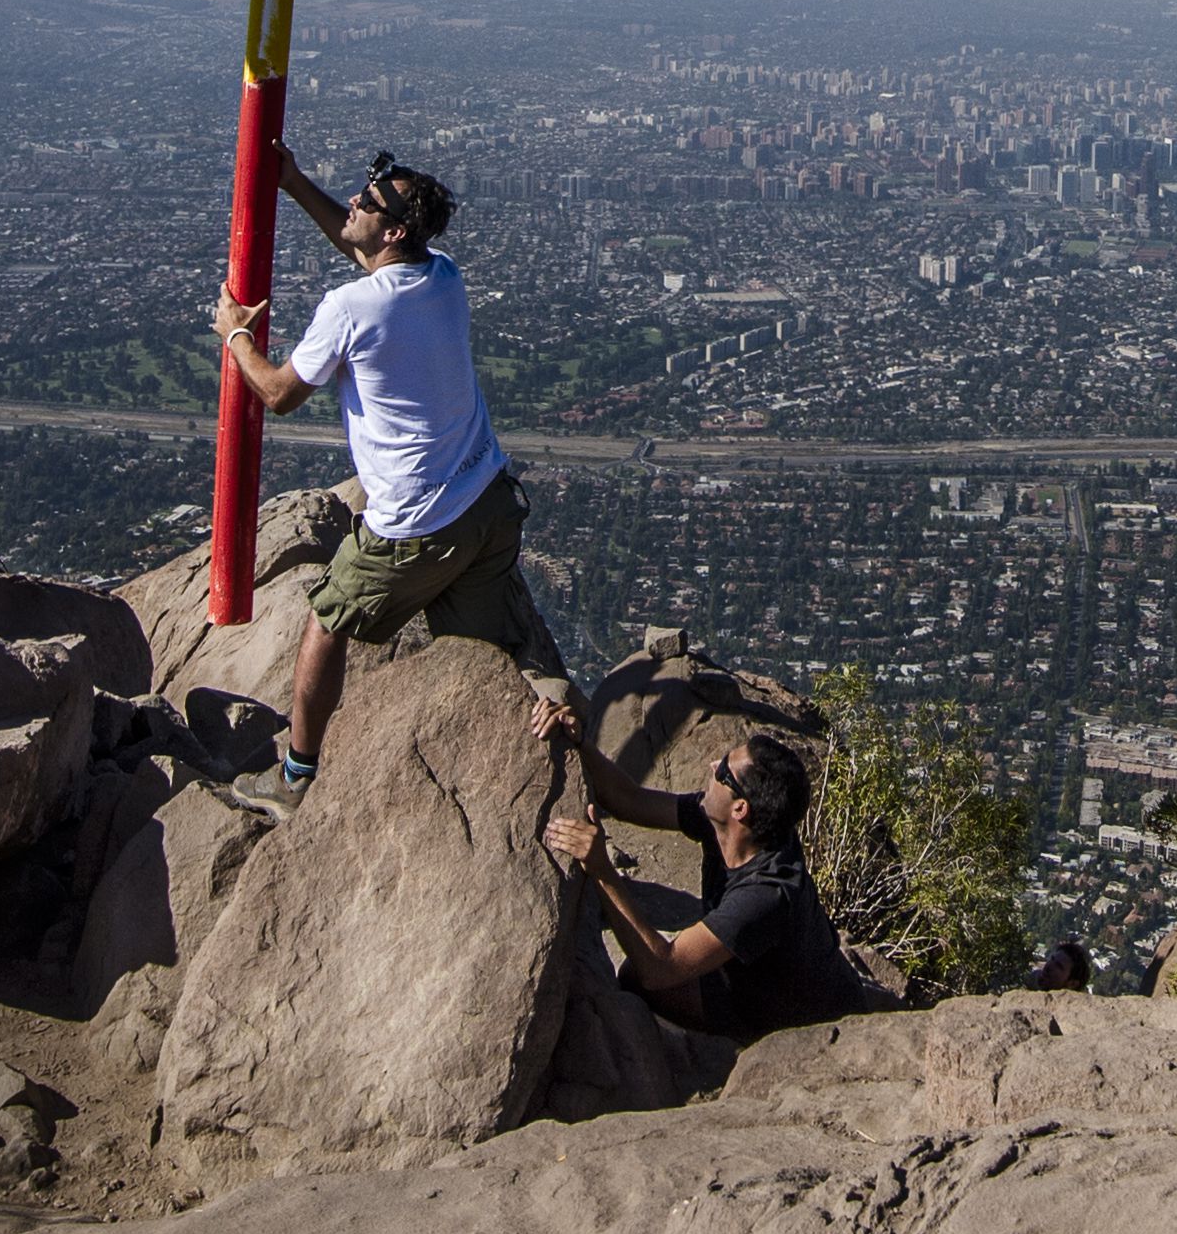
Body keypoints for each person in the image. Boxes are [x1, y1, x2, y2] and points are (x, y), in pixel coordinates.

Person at [213, 143, 573, 790]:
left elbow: (278, 394)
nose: (355, 200)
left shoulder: (352, 308)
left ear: (397, 229)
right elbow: (362, 249)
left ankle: (296, 779)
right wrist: (295, 184)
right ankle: (523, 759)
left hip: (417, 523)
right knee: (478, 657)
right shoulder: (442, 276)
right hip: (488, 504)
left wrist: (236, 334)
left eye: (370, 199)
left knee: (326, 623)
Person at [546, 733, 874, 1040]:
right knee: (637, 972)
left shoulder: (766, 893)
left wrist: (602, 871)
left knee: (640, 976)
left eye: (723, 771)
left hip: (804, 1026)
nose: (712, 766)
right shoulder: (739, 827)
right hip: (755, 986)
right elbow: (628, 799)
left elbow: (659, 968)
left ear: (740, 809)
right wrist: (578, 741)